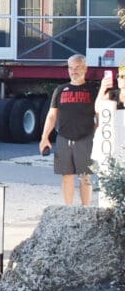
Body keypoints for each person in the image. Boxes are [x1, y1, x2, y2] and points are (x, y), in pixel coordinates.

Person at [39, 54, 107, 206]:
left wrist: (97, 132)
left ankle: (85, 209)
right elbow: (52, 115)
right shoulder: (60, 90)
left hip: (85, 138)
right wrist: (45, 137)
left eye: (77, 68)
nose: (74, 71)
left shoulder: (92, 90)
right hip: (63, 137)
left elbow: (99, 114)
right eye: (71, 68)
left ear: (85, 68)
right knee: (67, 176)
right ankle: (68, 209)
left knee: (85, 176)